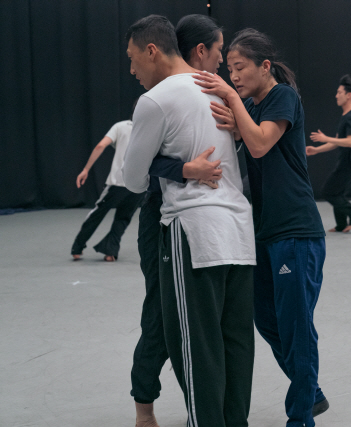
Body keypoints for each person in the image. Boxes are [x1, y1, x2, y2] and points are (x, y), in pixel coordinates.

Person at [123, 15, 255, 427]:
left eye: (132, 58)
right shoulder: (219, 90)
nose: (131, 70)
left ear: (152, 51)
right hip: (239, 234)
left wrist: (179, 171)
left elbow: (131, 179)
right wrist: (184, 167)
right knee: (235, 346)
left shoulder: (156, 100)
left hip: (193, 235)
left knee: (197, 349)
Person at [193, 28, 330, 427]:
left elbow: (258, 144)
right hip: (264, 232)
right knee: (268, 321)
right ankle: (312, 390)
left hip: (296, 231)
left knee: (296, 327)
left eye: (239, 68)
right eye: (229, 68)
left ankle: (301, 416)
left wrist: (234, 103)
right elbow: (243, 135)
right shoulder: (252, 108)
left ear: (264, 66)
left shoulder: (282, 97)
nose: (233, 75)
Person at [70, 103, 146, 261]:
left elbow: (100, 146)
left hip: (117, 183)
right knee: (123, 218)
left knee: (97, 213)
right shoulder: (150, 130)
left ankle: (77, 248)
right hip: (139, 184)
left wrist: (85, 169)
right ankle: (110, 252)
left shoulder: (120, 126)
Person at [306, 75, 351, 233]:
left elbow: (350, 141)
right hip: (345, 162)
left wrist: (324, 137)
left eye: (339, 92)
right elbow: (337, 141)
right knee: (336, 192)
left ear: (348, 95)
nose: (336, 95)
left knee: (329, 192)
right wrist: (316, 150)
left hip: (350, 163)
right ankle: (341, 224)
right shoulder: (346, 116)